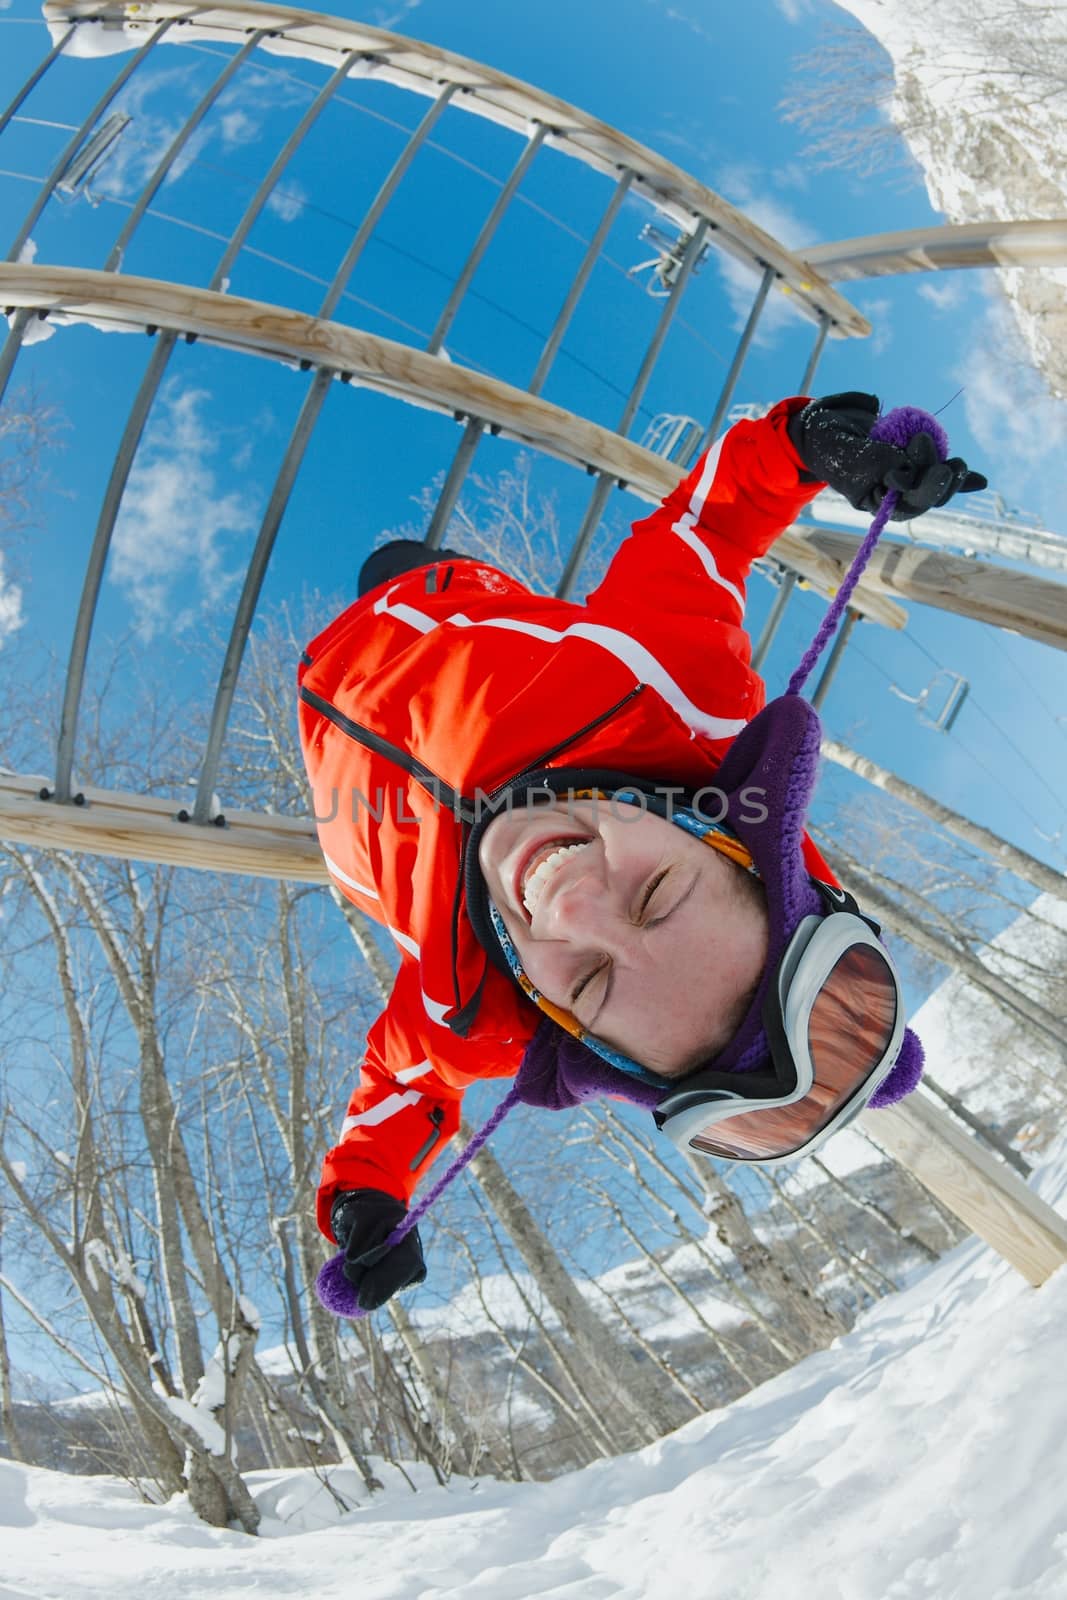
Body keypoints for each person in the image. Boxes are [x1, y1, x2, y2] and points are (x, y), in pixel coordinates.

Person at [298, 391, 985, 1311]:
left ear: (566, 1027)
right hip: (432, 600)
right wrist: (807, 447)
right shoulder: (668, 684)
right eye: (656, 892)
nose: (570, 906)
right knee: (390, 554)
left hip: (318, 705)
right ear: (716, 835)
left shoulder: (466, 1007)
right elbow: (709, 528)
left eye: (584, 984)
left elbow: (403, 1079)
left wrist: (367, 1191)